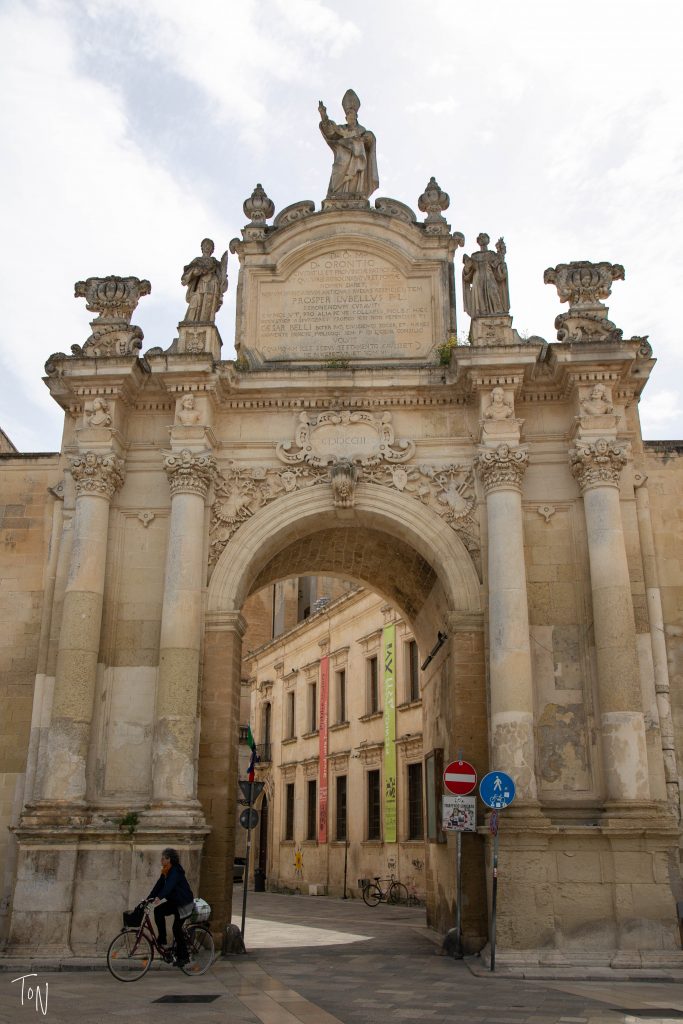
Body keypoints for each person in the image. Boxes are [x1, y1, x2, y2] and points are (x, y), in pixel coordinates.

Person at [318, 90, 379, 199]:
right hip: (342, 159)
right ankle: (336, 195)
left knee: (358, 165)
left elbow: (370, 141)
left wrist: (367, 138)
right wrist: (324, 116)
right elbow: (330, 131)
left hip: (357, 161)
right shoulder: (341, 129)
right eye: (348, 114)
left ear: (356, 116)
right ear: (346, 118)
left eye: (352, 114)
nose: (350, 116)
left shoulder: (362, 131)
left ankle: (357, 194)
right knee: (338, 168)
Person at [147, 848, 194, 966]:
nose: (161, 860)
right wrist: (149, 899)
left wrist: (159, 898)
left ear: (169, 859)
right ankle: (162, 938)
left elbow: (168, 888)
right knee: (158, 911)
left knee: (176, 928)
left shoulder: (175, 872)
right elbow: (158, 886)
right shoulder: (166, 871)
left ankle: (184, 957)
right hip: (175, 902)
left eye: (163, 858)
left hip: (185, 904)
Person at [181, 239, 228, 323]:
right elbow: (187, 274)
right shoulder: (197, 260)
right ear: (202, 247)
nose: (207, 247)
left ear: (212, 249)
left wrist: (223, 275)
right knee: (195, 302)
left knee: (209, 305)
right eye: (205, 245)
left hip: (212, 285)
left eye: (210, 245)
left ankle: (206, 324)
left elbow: (222, 278)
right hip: (200, 284)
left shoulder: (215, 263)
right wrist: (196, 271)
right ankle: (191, 323)